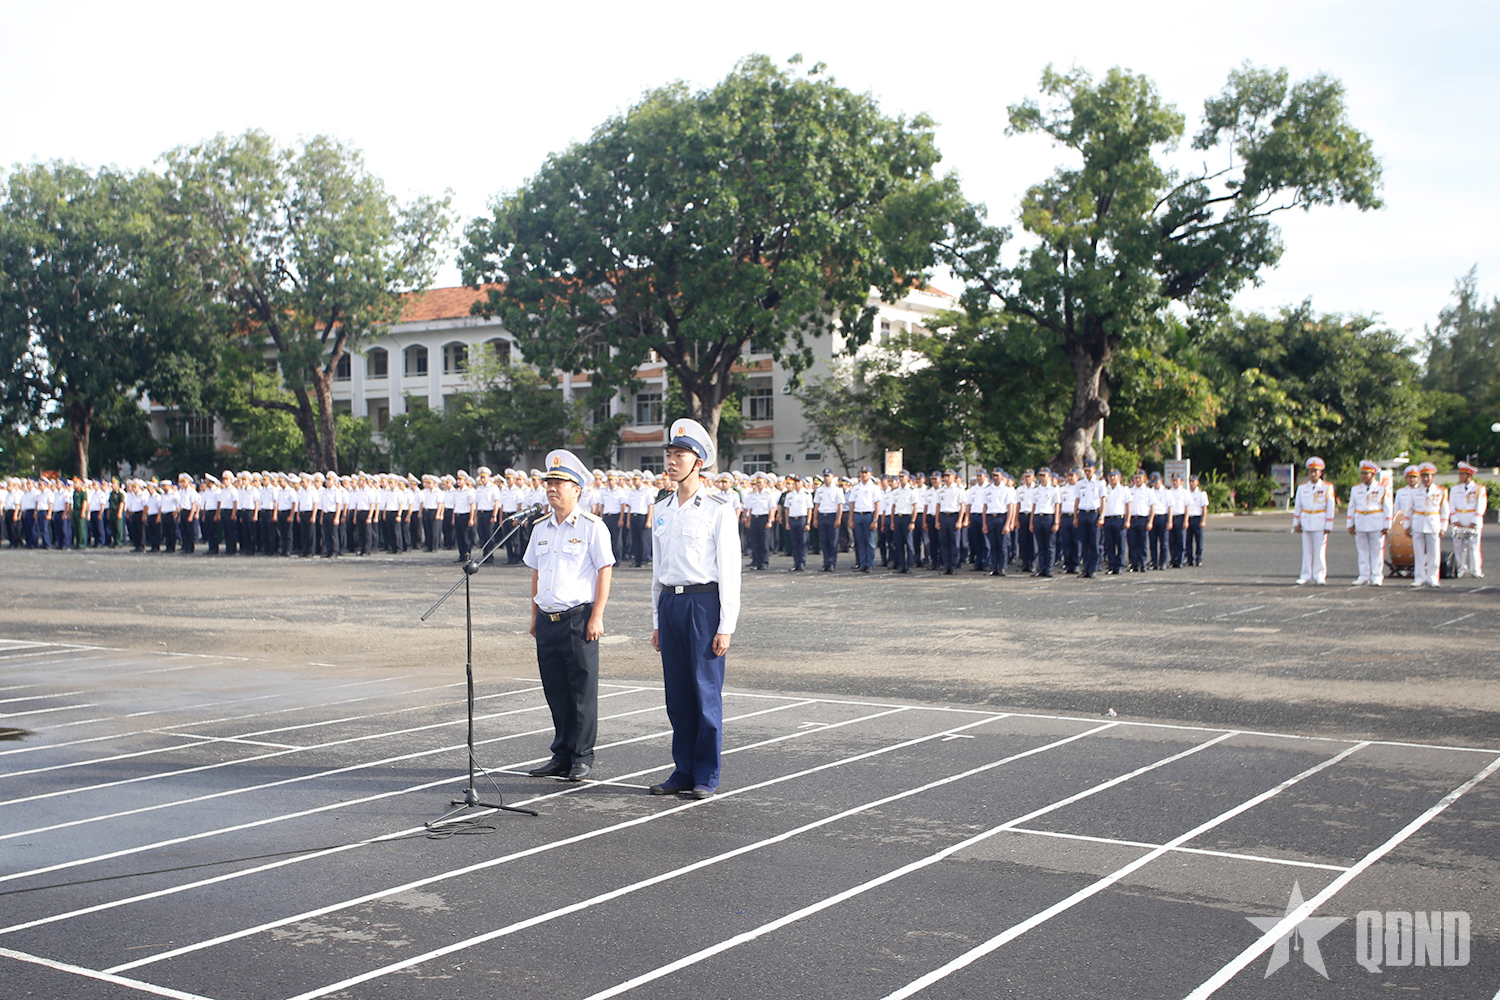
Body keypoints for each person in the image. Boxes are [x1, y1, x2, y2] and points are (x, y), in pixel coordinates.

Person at [649, 418, 742, 799]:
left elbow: (730, 569)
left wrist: (726, 625)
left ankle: (707, 774)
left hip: (704, 604)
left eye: (680, 455)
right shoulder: (663, 508)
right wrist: (656, 618)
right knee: (678, 695)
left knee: (705, 694)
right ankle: (682, 770)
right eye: (669, 454)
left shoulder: (718, 508)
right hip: (671, 602)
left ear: (698, 461)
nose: (672, 461)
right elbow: (658, 569)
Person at [523, 448, 615, 782]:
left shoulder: (592, 527)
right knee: (555, 690)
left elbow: (605, 571)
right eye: (549, 482)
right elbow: (535, 573)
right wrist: (533, 615)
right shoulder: (540, 528)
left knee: (581, 692)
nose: (551, 488)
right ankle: (561, 754)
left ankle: (582, 755)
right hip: (547, 620)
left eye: (559, 483)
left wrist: (597, 616)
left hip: (579, 619)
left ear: (577, 489)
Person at [1401, 461, 1449, 588]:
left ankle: (1433, 577)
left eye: (1428, 476)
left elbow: (1445, 511)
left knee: (1434, 553)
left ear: (1433, 477)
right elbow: (1409, 509)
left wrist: (1443, 527)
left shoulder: (1441, 491)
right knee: (1418, 552)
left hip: (1433, 522)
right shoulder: (1414, 492)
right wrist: (1406, 525)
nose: (1426, 478)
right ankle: (1420, 577)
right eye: (1423, 476)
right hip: (1418, 522)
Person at [1346, 459, 1392, 586]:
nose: (1363, 476)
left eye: (1366, 474)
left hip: (1376, 521)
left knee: (1377, 550)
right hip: (1361, 521)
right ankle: (1364, 575)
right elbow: (1352, 507)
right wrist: (1350, 523)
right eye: (1362, 473)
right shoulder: (1356, 489)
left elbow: (1387, 508)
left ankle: (1377, 575)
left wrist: (1387, 524)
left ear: (1373, 474)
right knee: (1362, 550)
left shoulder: (1382, 488)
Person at [1292, 456, 1336, 585]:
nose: (1313, 474)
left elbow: (1330, 506)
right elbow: (1298, 506)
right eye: (1311, 471)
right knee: (1306, 550)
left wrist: (1329, 524)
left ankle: (1319, 575)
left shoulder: (1327, 487)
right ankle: (1305, 574)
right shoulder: (1302, 487)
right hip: (1306, 520)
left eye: (1315, 471)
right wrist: (1296, 523)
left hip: (1320, 521)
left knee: (1320, 550)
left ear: (1320, 472)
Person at [1449, 461, 1487, 578]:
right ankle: (1461, 568)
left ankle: (1475, 569)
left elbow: (1481, 505)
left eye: (1462, 474)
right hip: (1459, 518)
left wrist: (1475, 521)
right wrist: (1454, 519)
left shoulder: (1479, 489)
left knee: (1473, 545)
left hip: (1472, 518)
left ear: (1469, 475)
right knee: (1458, 545)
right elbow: (1451, 505)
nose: (1460, 476)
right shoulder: (1455, 489)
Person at [848, 465, 881, 572]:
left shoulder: (874, 487)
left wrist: (875, 520)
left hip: (868, 515)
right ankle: (862, 563)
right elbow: (852, 504)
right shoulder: (856, 487)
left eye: (866, 473)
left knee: (870, 542)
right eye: (862, 473)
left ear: (870, 474)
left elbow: (877, 504)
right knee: (860, 542)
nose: (864, 475)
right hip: (858, 515)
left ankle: (869, 564)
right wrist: (851, 519)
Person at [813, 469, 845, 572]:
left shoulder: (837, 490)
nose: (826, 478)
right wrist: (815, 519)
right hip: (822, 515)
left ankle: (832, 563)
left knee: (832, 541)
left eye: (828, 476)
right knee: (824, 541)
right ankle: (825, 563)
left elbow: (840, 505)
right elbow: (817, 505)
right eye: (825, 476)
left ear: (832, 477)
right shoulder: (820, 490)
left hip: (832, 515)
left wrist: (838, 518)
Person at [1184, 474, 1208, 566]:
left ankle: (1199, 558)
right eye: (1190, 481)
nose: (1191, 483)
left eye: (1193, 481)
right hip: (1189, 518)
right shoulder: (1187, 493)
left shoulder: (1201, 494)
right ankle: (1189, 559)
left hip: (1197, 518)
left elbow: (1204, 508)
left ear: (1197, 482)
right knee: (1188, 541)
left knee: (1199, 541)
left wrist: (1203, 520)